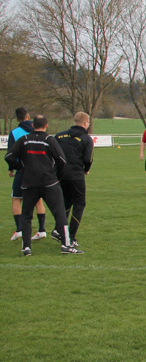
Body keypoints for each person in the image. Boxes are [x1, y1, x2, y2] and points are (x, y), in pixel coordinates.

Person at [4, 114, 82, 255]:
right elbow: (62, 160)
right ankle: (66, 245)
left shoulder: (24, 139)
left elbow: (8, 156)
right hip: (49, 182)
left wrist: (20, 167)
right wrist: (57, 175)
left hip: (29, 183)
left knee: (27, 215)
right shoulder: (49, 140)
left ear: (33, 125)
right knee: (59, 213)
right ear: (46, 125)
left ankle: (26, 247)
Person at [7, 107, 48, 241]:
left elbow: (11, 153)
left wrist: (12, 168)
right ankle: (41, 230)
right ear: (28, 117)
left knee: (17, 199)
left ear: (17, 118)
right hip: (39, 170)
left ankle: (19, 230)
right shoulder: (38, 129)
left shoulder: (15, 133)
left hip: (22, 170)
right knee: (38, 199)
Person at [54, 112, 93, 246]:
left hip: (60, 174)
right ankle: (70, 236)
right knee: (79, 204)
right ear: (85, 123)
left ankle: (58, 230)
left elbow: (53, 154)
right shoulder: (86, 139)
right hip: (76, 175)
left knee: (66, 202)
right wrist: (86, 169)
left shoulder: (59, 136)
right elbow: (88, 159)